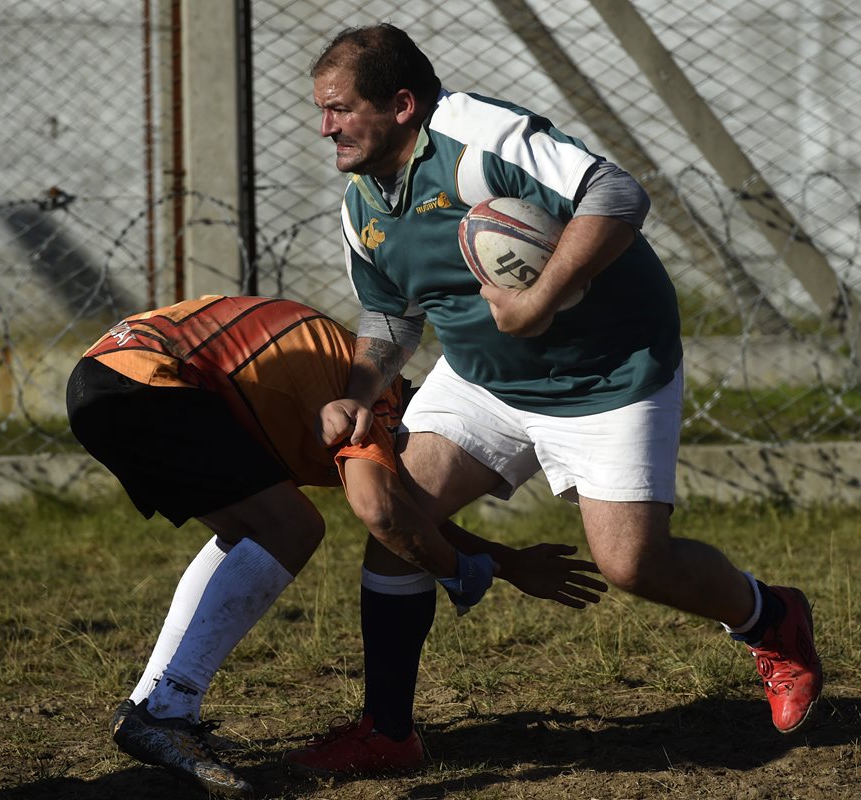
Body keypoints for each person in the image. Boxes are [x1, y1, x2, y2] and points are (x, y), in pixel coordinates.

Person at [284, 23, 822, 776]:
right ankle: (388, 731)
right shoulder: (361, 204)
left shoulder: (475, 137)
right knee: (397, 517)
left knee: (632, 564)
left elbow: (617, 191)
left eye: (339, 109)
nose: (325, 127)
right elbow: (391, 314)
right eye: (322, 110)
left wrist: (537, 302)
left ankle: (771, 618)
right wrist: (359, 390)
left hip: (608, 375)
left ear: (402, 104)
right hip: (483, 380)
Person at [65, 294, 607, 797]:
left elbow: (403, 514)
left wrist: (507, 562)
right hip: (148, 379)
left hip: (110, 375)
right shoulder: (381, 402)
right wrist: (463, 574)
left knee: (249, 530)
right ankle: (167, 711)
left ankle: (151, 707)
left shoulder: (361, 381)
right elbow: (388, 513)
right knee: (293, 528)